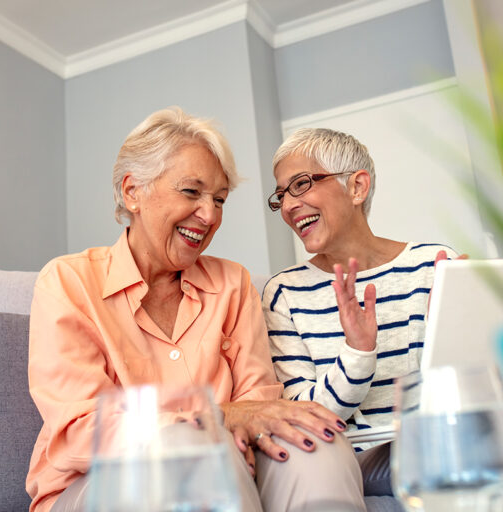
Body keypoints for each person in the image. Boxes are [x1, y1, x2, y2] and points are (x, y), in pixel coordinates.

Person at [27, 108, 368, 512]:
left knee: (312, 443)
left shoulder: (233, 284)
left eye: (219, 200)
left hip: (231, 472)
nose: (209, 216)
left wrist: (246, 423)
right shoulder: (67, 282)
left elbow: (260, 406)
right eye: (191, 192)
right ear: (133, 191)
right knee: (190, 451)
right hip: (96, 487)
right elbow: (82, 432)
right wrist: (217, 417)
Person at [262, 128, 458, 508]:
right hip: (355, 460)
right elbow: (305, 417)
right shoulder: (284, 293)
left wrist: (458, 331)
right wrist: (358, 352)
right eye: (281, 194)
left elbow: (466, 389)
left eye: (300, 184)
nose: (287, 205)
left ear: (357, 187)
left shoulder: (433, 265)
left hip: (438, 443)